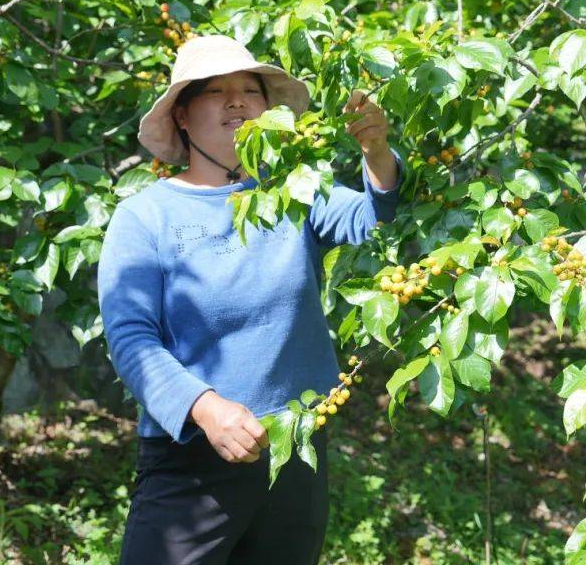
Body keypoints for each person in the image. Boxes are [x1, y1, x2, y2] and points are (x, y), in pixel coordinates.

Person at [97, 33, 403, 564]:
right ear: (183, 118)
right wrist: (207, 409)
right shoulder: (145, 217)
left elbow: (375, 218)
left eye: (250, 90)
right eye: (216, 91)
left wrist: (376, 150)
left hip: (294, 450)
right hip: (193, 458)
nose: (237, 101)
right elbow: (130, 338)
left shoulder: (296, 192)